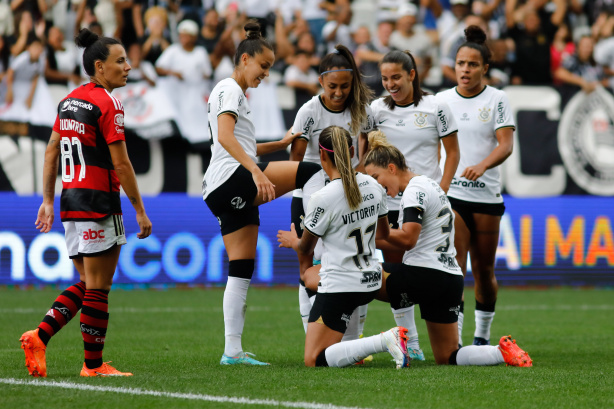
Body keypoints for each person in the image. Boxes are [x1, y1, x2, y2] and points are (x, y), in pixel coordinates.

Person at [19, 28, 152, 377]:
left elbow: (51, 149)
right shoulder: (108, 103)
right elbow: (121, 163)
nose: (127, 66)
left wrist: (48, 200)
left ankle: (40, 336)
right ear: (99, 66)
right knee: (98, 286)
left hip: (70, 202)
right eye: (120, 60)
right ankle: (92, 365)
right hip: (98, 201)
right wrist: (139, 208)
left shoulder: (69, 101)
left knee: (87, 281)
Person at [202, 21, 320, 366]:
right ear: (244, 60)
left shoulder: (232, 92)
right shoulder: (230, 89)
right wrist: (254, 171)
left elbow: (240, 143)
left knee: (240, 267)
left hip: (219, 187)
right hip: (232, 179)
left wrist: (279, 145)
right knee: (312, 171)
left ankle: (232, 351)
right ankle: (312, 238)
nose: (266, 74)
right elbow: (225, 138)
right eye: (263, 66)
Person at [359, 130, 531, 367]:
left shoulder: (414, 190)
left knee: (355, 274)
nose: (376, 186)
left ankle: (350, 346)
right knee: (449, 356)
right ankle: (501, 352)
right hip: (450, 280)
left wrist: (365, 240)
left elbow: (409, 239)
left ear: (391, 168)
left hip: (423, 276)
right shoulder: (431, 184)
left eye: (375, 177)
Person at [277, 126, 410, 369]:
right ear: (351, 151)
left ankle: (385, 340)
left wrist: (291, 241)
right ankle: (386, 343)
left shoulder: (323, 197)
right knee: (336, 346)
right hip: (371, 280)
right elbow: (384, 234)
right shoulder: (372, 185)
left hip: (341, 284)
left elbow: (306, 248)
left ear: (322, 155)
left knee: (314, 358)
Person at [370, 49, 460, 360]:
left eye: (396, 76)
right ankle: (412, 345)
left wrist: (441, 192)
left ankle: (453, 338)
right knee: (397, 272)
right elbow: (367, 158)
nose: (390, 84)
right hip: (389, 203)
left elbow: (453, 153)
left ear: (412, 74)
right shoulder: (375, 110)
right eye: (384, 78)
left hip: (427, 202)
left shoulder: (437, 106)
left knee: (436, 266)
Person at [436, 26, 515, 347]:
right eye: (460, 63)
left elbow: (506, 145)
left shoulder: (498, 99)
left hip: (486, 196)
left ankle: (481, 337)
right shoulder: (441, 100)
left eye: (471, 64)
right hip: (451, 197)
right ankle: (455, 339)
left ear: (485, 67)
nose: (465, 70)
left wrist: (482, 165)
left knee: (484, 271)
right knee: (455, 268)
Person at [289, 44, 374, 338]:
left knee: (351, 267)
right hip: (311, 199)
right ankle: (311, 335)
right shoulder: (309, 111)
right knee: (309, 268)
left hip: (348, 198)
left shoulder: (362, 110)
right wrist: (300, 200)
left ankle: (354, 338)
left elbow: (367, 155)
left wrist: (357, 179)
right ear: (321, 81)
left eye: (345, 86)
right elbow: (295, 163)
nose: (339, 92)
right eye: (333, 86)